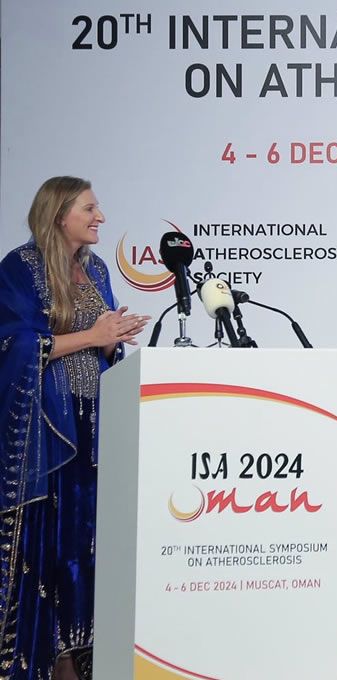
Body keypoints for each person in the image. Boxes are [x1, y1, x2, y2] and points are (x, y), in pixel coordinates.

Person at [0, 177, 150, 680]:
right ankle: (48, 658)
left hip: (98, 423)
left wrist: (113, 341)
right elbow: (14, 345)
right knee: (50, 539)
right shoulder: (20, 269)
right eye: (89, 207)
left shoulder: (98, 268)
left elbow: (100, 350)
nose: (100, 216)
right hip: (49, 433)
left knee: (90, 537)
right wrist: (93, 334)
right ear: (60, 213)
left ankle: (87, 655)